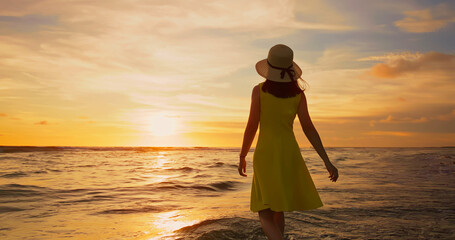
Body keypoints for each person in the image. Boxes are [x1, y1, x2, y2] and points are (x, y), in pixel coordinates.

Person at [238, 44, 339, 240]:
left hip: (266, 153)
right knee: (278, 208)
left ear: (269, 67)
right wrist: (327, 161)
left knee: (265, 213)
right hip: (289, 153)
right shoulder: (298, 95)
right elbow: (309, 128)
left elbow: (252, 126)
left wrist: (242, 154)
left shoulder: (258, 91)